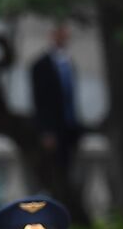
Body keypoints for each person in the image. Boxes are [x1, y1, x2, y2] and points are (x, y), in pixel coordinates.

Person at [30, 25, 83, 213]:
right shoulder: (41, 65)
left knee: (70, 173)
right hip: (52, 130)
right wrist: (46, 131)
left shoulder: (68, 63)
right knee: (52, 174)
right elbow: (39, 101)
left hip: (69, 128)